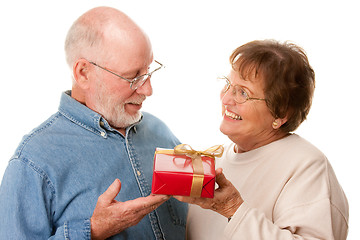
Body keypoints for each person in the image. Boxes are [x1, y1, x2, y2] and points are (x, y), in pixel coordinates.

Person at [0, 6, 187, 239]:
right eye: (133, 77)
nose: (148, 89)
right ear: (84, 73)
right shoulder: (32, 162)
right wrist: (94, 230)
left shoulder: (160, 132)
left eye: (149, 70)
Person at [175, 40, 349, 239]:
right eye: (228, 84)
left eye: (242, 93)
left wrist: (233, 209)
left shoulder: (308, 166)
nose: (225, 99)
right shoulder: (215, 160)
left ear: (280, 114)